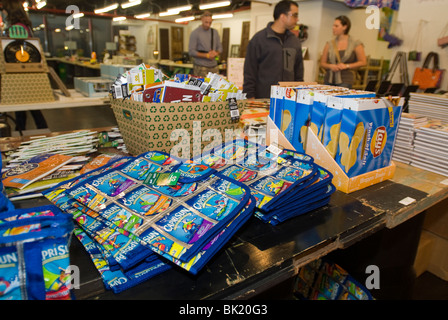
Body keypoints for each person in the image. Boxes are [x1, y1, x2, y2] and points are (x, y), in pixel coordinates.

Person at [2, 0, 48, 132]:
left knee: (23, 108)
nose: (3, 12)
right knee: (29, 109)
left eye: (4, 9)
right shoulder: (23, 25)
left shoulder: (17, 28)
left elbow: (15, 51)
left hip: (21, 71)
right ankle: (32, 131)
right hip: (25, 70)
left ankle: (22, 132)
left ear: (10, 10)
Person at [243, 0, 304, 99]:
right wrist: (249, 96)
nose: (297, 19)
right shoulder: (259, 40)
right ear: (283, 16)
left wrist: (300, 94)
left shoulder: (294, 41)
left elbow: (299, 72)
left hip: (288, 99)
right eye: (295, 15)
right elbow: (250, 71)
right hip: (264, 98)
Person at [320, 15, 367, 89]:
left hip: (346, 80)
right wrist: (331, 66)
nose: (333, 28)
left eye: (336, 26)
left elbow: (363, 62)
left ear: (345, 27)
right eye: (333, 25)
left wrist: (347, 66)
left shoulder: (356, 43)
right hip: (329, 79)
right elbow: (322, 63)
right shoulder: (329, 44)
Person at [188, 11, 222, 78]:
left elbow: (220, 48)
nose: (208, 25)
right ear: (202, 19)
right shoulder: (195, 33)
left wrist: (216, 53)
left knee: (215, 87)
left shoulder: (215, 32)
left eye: (210, 23)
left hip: (214, 66)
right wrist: (206, 55)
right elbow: (191, 51)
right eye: (206, 22)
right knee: (202, 87)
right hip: (201, 67)